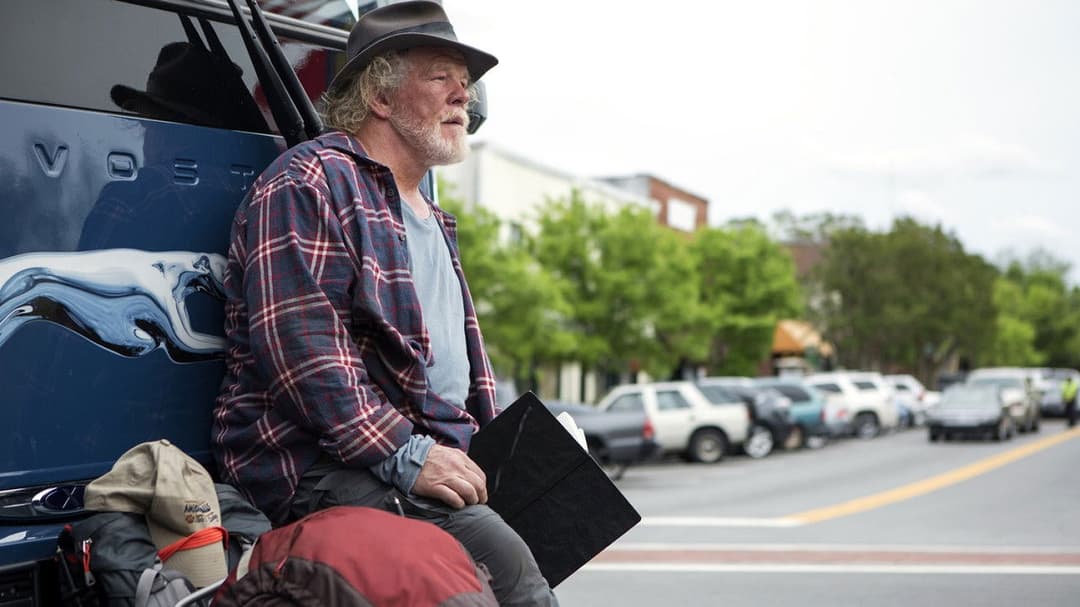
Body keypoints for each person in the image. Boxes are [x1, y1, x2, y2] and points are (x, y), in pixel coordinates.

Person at [210, 2, 559, 605]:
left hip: (416, 452)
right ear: (381, 97)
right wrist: (409, 455)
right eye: (440, 77)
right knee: (504, 566)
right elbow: (306, 356)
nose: (465, 98)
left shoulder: (430, 214)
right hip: (316, 464)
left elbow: (452, 370)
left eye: (466, 84)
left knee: (555, 525)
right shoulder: (309, 182)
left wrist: (508, 450)